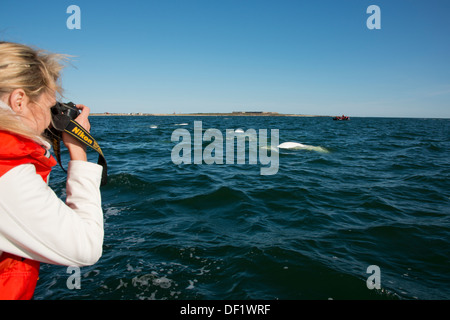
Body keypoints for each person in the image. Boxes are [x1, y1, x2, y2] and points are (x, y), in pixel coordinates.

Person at [0, 42, 104, 299]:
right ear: (19, 100)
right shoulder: (6, 173)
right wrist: (78, 149)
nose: (50, 118)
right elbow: (86, 248)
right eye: (48, 107)